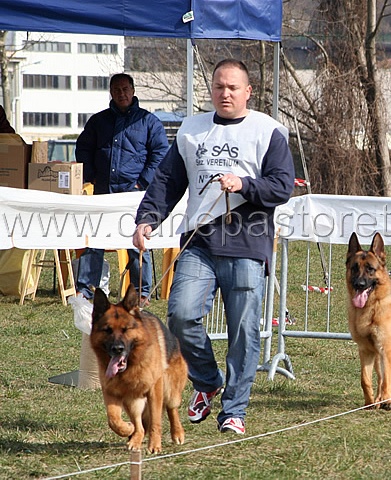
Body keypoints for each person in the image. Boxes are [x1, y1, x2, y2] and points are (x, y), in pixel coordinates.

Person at [133, 59, 294, 435]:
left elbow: (282, 186)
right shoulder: (191, 130)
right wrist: (147, 219)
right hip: (200, 241)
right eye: (219, 87)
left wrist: (245, 185)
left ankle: (234, 410)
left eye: (233, 87)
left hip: (247, 243)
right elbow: (167, 181)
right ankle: (207, 380)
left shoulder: (268, 132)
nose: (225, 93)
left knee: (243, 332)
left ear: (248, 91)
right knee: (181, 315)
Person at [75, 73, 169, 305]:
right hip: (103, 192)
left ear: (133, 90)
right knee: (94, 240)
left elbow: (160, 154)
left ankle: (141, 293)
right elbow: (83, 149)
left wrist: (141, 183)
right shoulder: (98, 121)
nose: (122, 93)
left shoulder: (149, 121)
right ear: (110, 92)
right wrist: (91, 177)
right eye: (117, 89)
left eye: (126, 89)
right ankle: (86, 291)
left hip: (134, 194)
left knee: (137, 243)